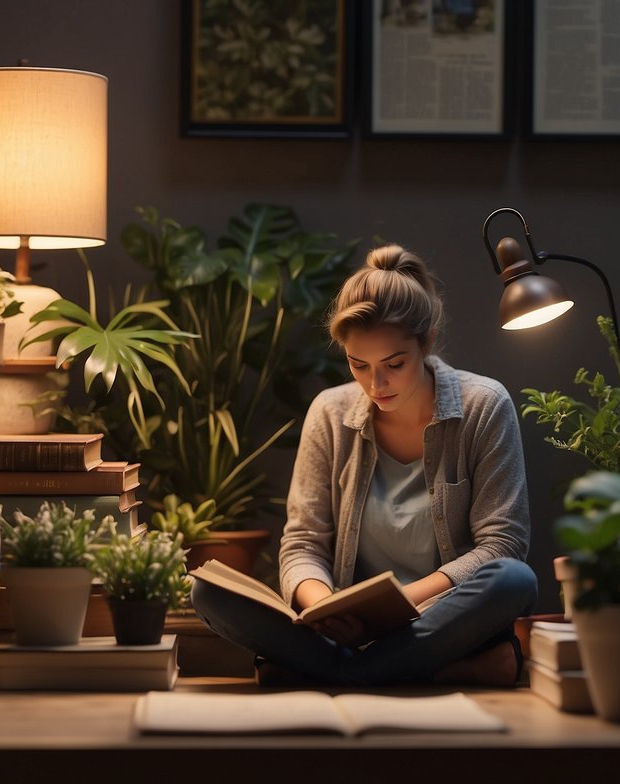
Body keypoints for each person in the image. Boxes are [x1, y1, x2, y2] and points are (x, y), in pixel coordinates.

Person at [191, 244, 537, 686]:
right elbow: (303, 543)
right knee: (208, 593)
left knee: (513, 580)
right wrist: (322, 606)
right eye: (359, 365)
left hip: (435, 619)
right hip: (343, 629)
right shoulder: (329, 413)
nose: (377, 383)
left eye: (395, 364)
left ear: (426, 342)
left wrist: (397, 608)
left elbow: (501, 545)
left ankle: (337, 673)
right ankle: (404, 671)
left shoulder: (484, 406)